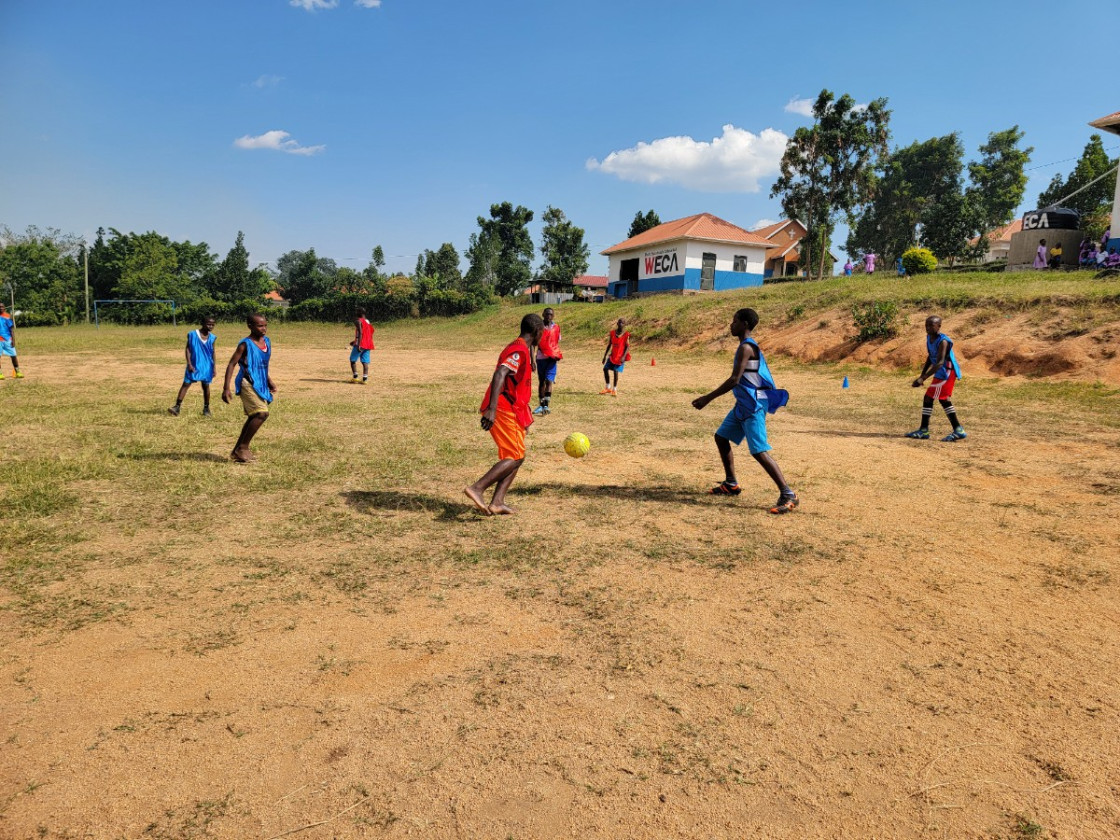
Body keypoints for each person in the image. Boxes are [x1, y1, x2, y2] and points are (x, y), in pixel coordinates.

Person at [692, 307, 798, 514]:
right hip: (742, 405)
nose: (731, 325)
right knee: (721, 437)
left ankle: (788, 494)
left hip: (753, 407)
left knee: (758, 451)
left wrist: (707, 398)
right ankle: (731, 484)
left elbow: (735, 379)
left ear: (745, 324)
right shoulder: (745, 346)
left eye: (734, 321)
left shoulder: (747, 348)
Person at [464, 313, 544, 516]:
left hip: (512, 408)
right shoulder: (518, 350)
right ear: (537, 331)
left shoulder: (523, 347)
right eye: (542, 332)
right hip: (502, 408)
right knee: (516, 456)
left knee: (516, 456)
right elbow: (500, 373)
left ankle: (497, 502)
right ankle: (477, 488)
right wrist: (491, 409)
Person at [222, 314, 276, 463]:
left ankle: (237, 451)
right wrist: (226, 388)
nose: (264, 328)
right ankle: (243, 448)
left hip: (260, 382)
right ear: (250, 326)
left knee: (254, 416)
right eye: (260, 326)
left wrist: (269, 380)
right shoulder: (245, 344)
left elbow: (261, 364)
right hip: (247, 382)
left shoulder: (267, 341)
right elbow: (232, 364)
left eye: (265, 325)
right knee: (261, 413)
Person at [905, 315, 966, 442]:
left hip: (947, 372)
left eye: (931, 325)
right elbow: (930, 357)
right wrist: (922, 375)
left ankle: (956, 430)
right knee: (934, 398)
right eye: (926, 325)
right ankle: (926, 430)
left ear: (939, 326)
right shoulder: (929, 338)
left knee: (938, 398)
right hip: (940, 371)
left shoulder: (943, 341)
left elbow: (939, 362)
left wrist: (923, 379)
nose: (928, 328)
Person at [169, 316, 216, 416]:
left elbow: (213, 352)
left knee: (206, 386)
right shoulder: (192, 334)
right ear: (203, 323)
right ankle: (177, 407)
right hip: (194, 364)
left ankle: (206, 408)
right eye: (208, 324)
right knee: (186, 384)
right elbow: (188, 349)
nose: (211, 326)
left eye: (212, 325)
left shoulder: (212, 338)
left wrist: (214, 368)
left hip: (207, 365)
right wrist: (189, 364)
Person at [533, 307, 562, 415]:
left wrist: (556, 354)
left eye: (551, 314)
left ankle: (546, 405)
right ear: (543, 315)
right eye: (547, 314)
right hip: (541, 358)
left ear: (553, 316)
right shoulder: (538, 327)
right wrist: (532, 360)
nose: (549, 316)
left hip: (551, 359)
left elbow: (556, 342)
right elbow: (534, 344)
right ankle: (541, 405)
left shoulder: (556, 327)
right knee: (542, 381)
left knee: (549, 381)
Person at [600, 318, 630, 395]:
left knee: (615, 372)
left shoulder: (626, 334)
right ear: (617, 323)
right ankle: (608, 387)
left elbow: (628, 347)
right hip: (612, 356)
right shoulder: (613, 333)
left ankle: (614, 389)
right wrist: (604, 356)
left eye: (622, 323)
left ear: (624, 325)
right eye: (619, 322)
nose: (620, 324)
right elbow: (609, 344)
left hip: (620, 357)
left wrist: (623, 356)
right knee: (605, 369)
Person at [349, 307, 375, 384]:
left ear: (360, 312)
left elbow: (360, 333)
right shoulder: (367, 321)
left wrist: (359, 344)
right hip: (368, 344)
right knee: (365, 362)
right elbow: (369, 332)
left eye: (357, 311)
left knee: (352, 360)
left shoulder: (358, 321)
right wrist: (355, 341)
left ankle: (355, 377)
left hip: (360, 344)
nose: (356, 313)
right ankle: (365, 379)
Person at [0, 303, 22, 380]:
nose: (1, 308)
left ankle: (18, 372)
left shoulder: (8, 316)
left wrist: (13, 340)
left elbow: (11, 330)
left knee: (13, 355)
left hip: (7, 339)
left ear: (4, 308)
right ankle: (0, 374)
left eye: (2, 306)